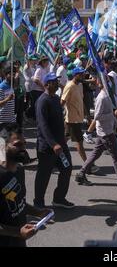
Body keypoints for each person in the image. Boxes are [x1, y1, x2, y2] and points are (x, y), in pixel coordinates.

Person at [75, 79, 117, 192]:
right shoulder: (101, 97)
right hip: (105, 133)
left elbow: (112, 115)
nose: (111, 84)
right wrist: (109, 116)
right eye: (109, 82)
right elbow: (97, 116)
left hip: (107, 131)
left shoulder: (107, 96)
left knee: (96, 153)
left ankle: (81, 173)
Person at [0, 124, 52, 246]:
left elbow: (18, 201)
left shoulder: (19, 170)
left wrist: (37, 212)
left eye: (24, 144)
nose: (23, 148)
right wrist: (18, 232)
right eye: (17, 145)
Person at [34, 73, 73, 209]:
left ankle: (59, 199)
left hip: (60, 145)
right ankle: (38, 203)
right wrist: (53, 144)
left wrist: (64, 137)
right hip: (47, 147)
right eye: (52, 82)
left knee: (67, 168)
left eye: (56, 82)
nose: (56, 84)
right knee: (43, 176)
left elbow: (59, 120)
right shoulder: (42, 101)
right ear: (46, 85)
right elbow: (43, 126)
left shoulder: (56, 98)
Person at [61, 67, 87, 163]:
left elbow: (81, 100)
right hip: (72, 119)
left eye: (83, 73)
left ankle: (52, 158)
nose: (83, 75)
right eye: (80, 74)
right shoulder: (69, 86)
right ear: (75, 75)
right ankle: (87, 165)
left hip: (78, 118)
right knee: (79, 142)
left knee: (63, 140)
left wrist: (87, 115)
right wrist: (58, 115)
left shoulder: (80, 85)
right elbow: (62, 101)